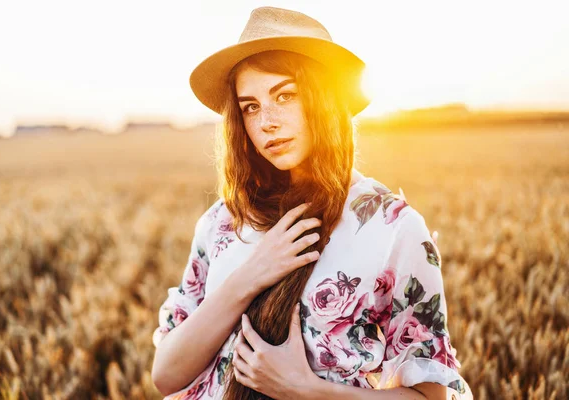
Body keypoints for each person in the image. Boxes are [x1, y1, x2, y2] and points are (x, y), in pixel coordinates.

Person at [151, 6, 473, 400]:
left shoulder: (392, 228)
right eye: (250, 106)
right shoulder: (223, 222)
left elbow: (430, 397)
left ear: (324, 99)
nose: (266, 120)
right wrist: (250, 275)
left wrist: (303, 390)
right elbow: (166, 376)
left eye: (284, 95)